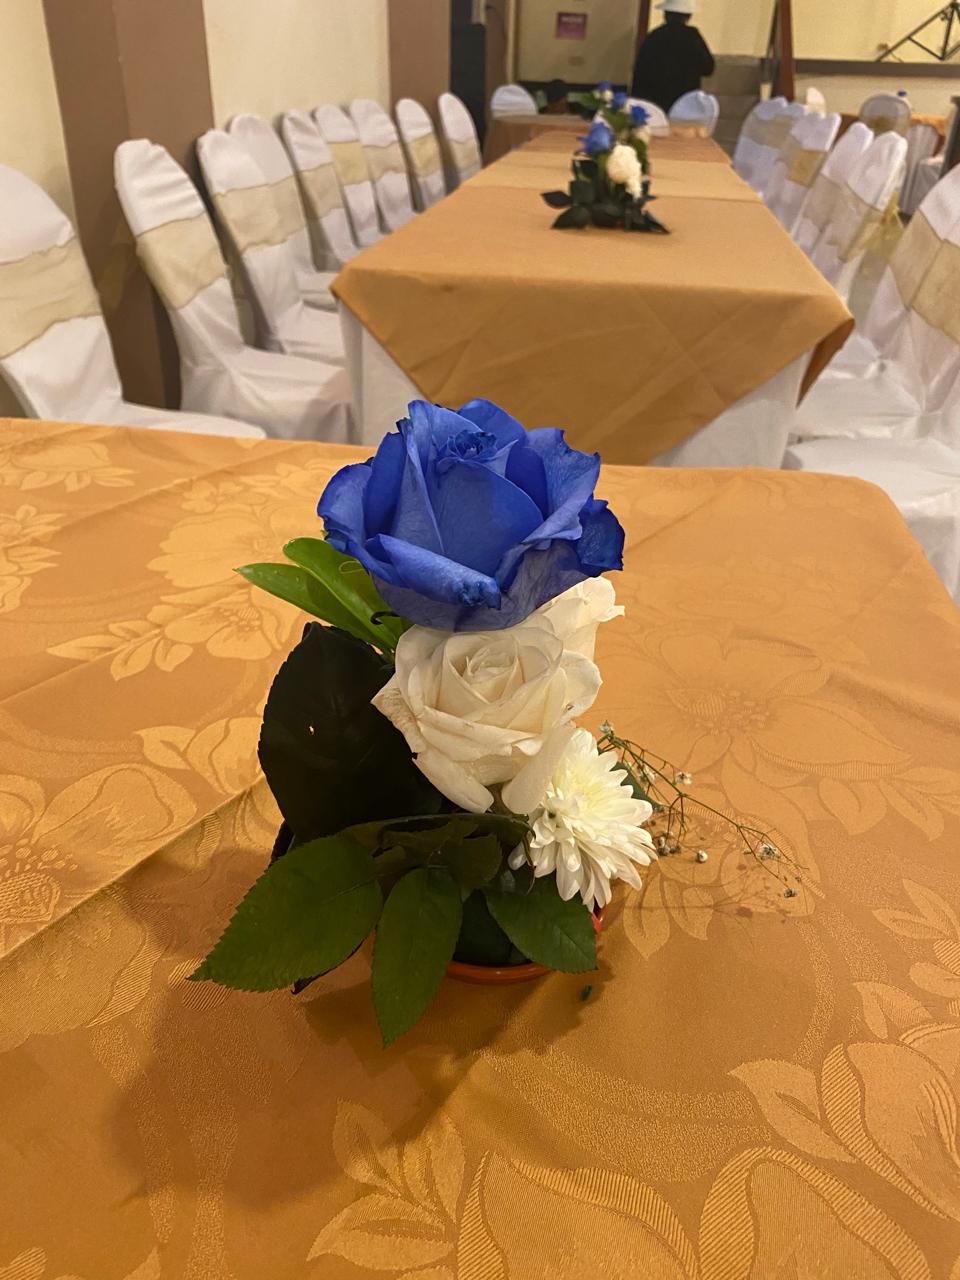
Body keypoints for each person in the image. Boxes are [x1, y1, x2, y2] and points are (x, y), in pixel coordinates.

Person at [631, 0, 715, 114]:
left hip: (655, 103)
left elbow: (640, 72)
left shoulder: (654, 36)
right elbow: (708, 68)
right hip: (684, 104)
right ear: (688, 16)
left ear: (665, 14)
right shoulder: (692, 37)